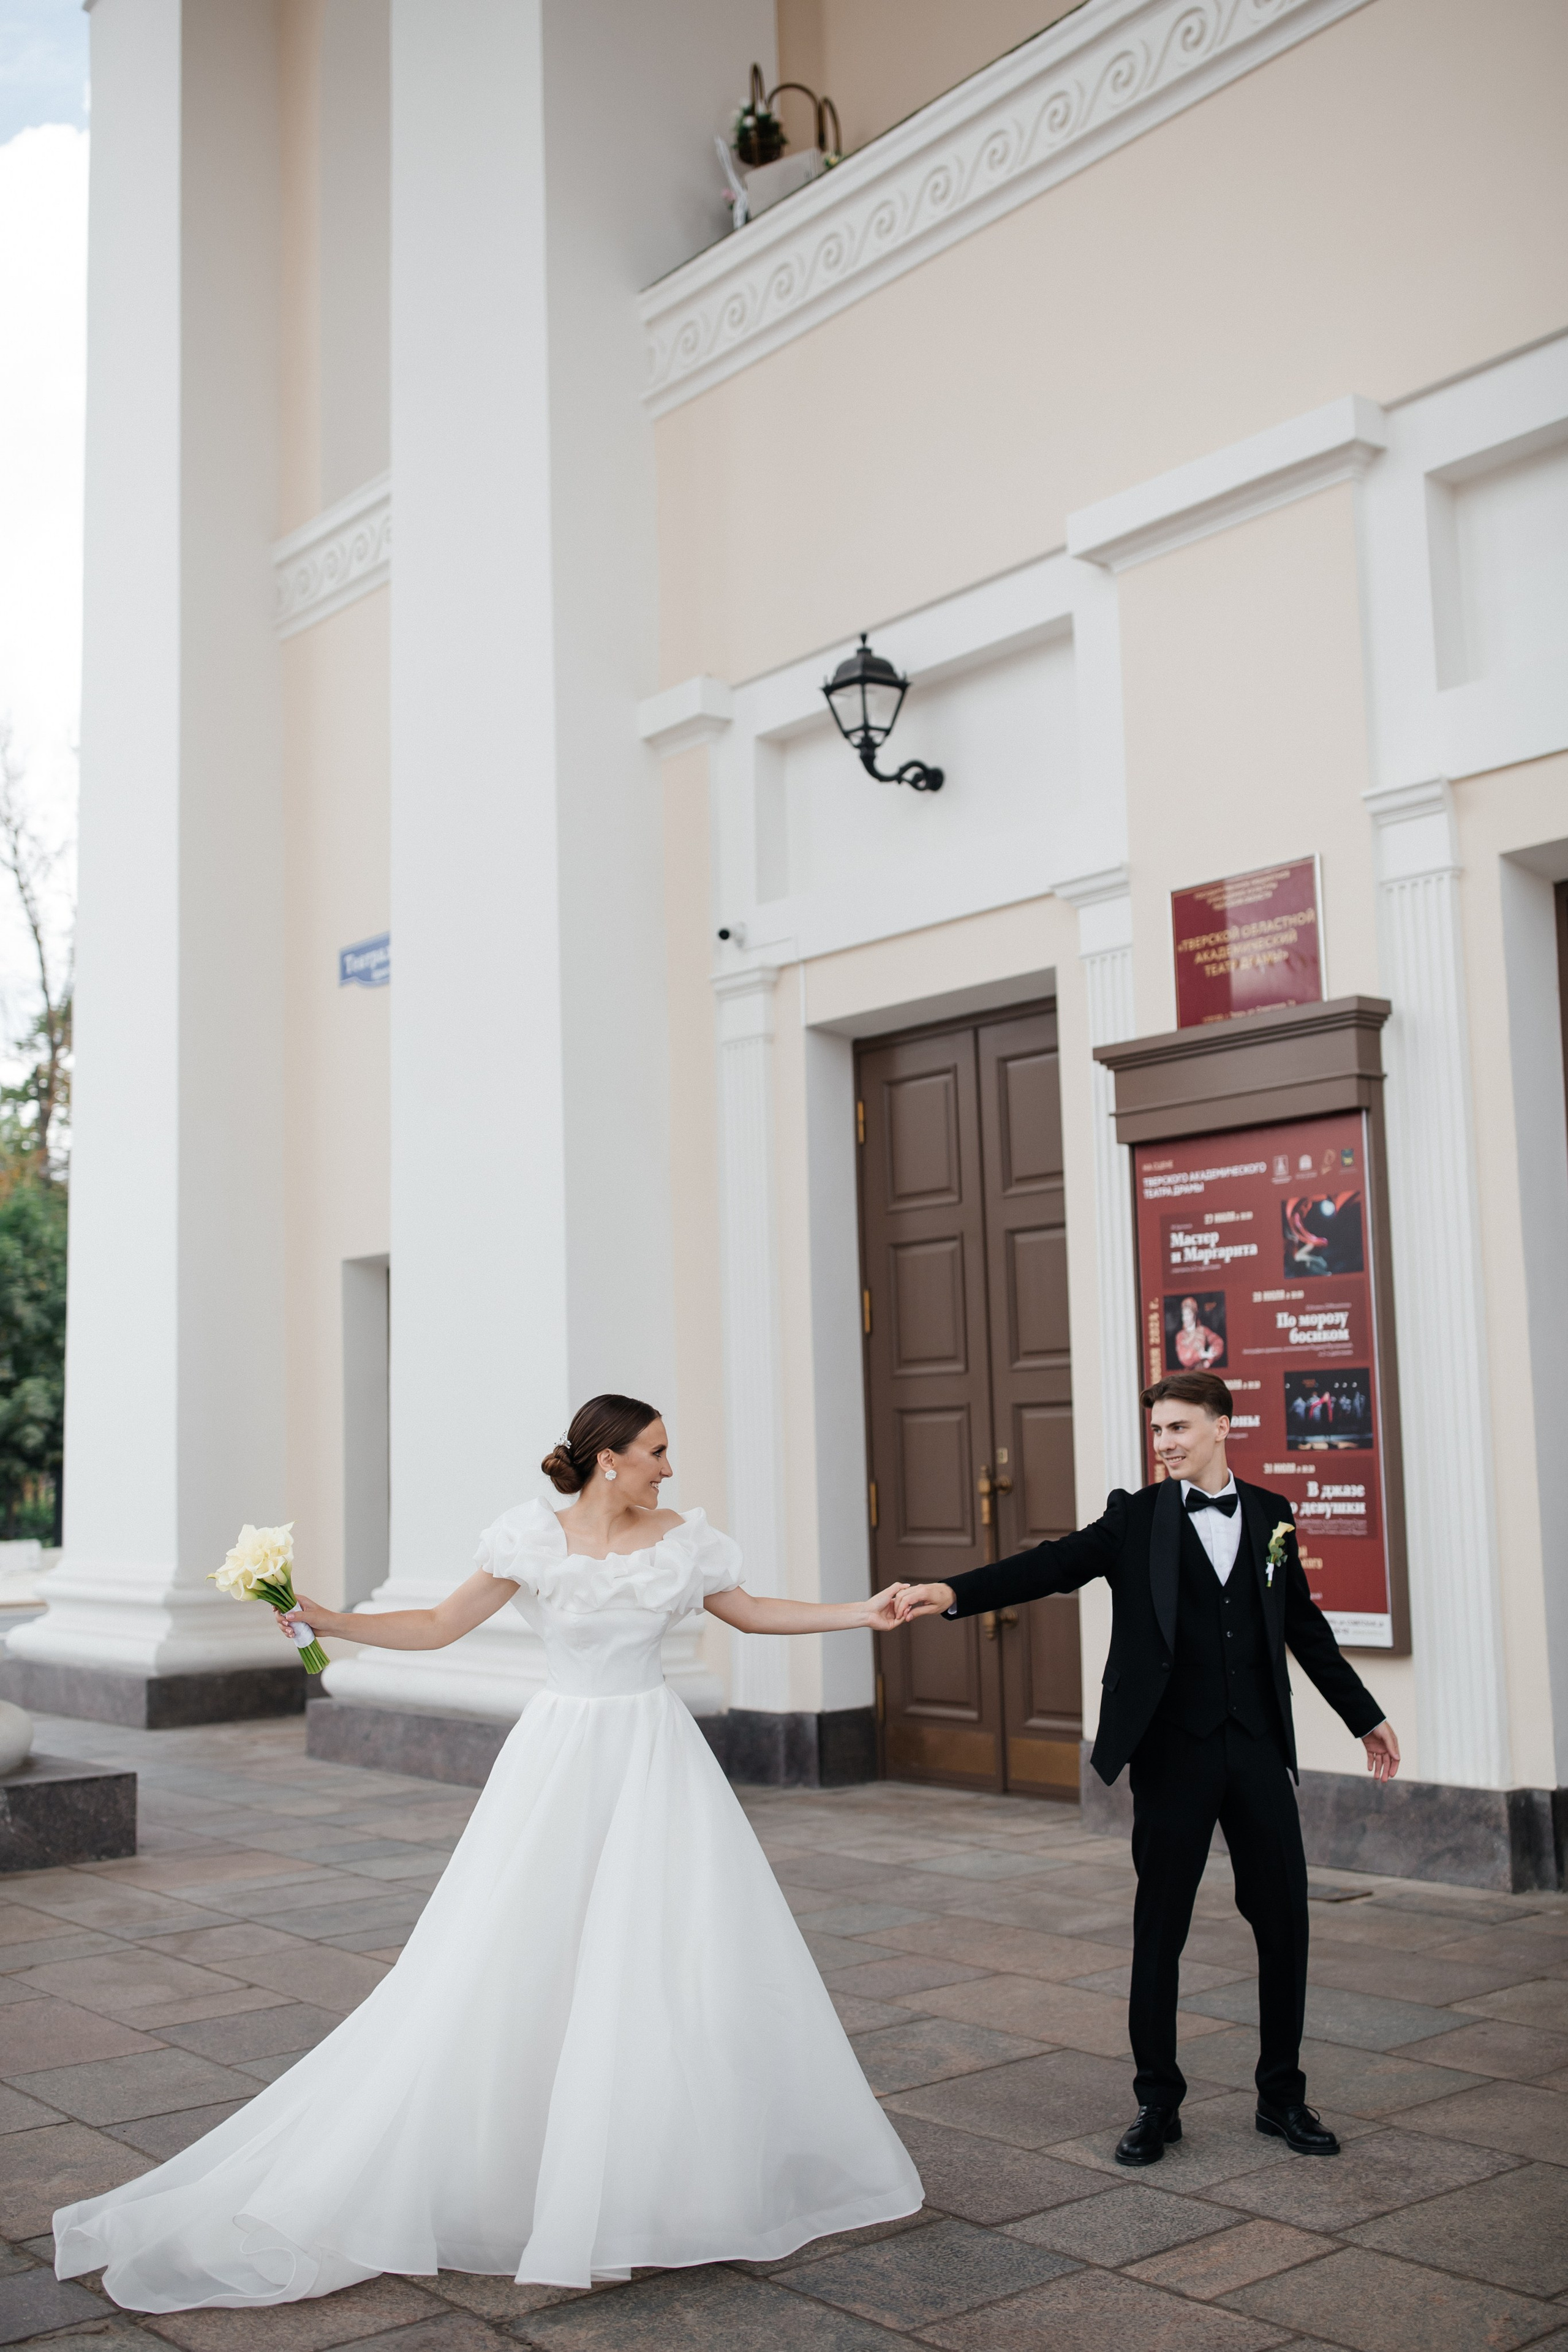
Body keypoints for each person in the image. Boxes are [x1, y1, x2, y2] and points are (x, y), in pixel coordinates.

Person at [55, 1396, 922, 2309]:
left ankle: (667, 2179)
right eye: (657, 1452)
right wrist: (331, 1622)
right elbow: (438, 1625)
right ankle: (526, 2160)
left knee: (674, 1953)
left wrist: (861, 1615)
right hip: (561, 1759)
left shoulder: (684, 1541)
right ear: (609, 1459)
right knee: (520, 1949)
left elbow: (752, 1612)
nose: (670, 1468)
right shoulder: (530, 1540)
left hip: (656, 1759)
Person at [892, 1370, 1399, 2169]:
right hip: (1172, 1749)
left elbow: (1302, 1625)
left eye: (1179, 1427)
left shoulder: (1272, 1514)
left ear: (1223, 1426)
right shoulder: (1135, 1517)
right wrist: (950, 1591)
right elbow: (1051, 1565)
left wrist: (1363, 1715)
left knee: (1284, 1922)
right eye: (1158, 1430)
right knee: (1161, 1927)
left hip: (1256, 1746)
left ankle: (1282, 2096)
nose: (1164, 1443)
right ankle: (1157, 2102)